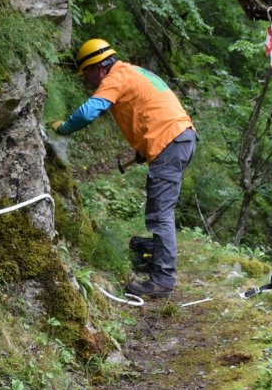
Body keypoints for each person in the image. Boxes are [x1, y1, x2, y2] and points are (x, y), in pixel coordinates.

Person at [49, 39, 197, 299]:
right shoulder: (135, 72)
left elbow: (88, 111)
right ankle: (157, 258)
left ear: (98, 67)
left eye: (87, 73)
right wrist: (144, 148)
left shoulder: (115, 78)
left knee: (160, 213)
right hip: (179, 138)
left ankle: (162, 280)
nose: (88, 80)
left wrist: (63, 127)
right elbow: (152, 108)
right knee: (160, 209)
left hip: (170, 141)